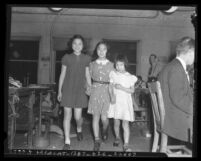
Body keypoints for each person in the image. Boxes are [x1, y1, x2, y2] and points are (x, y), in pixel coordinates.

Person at [158, 37, 194, 151]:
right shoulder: (177, 68)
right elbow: (178, 98)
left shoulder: (172, 66)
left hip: (169, 114)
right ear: (190, 52)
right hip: (174, 119)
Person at [57, 35, 91, 150]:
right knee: (67, 115)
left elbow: (87, 75)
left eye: (80, 44)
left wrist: (90, 87)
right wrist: (59, 91)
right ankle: (67, 141)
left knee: (77, 117)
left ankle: (79, 129)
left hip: (80, 90)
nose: (77, 46)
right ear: (71, 45)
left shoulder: (86, 58)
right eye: (75, 43)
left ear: (83, 45)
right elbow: (62, 75)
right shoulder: (66, 57)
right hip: (67, 89)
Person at [107, 54, 137, 152]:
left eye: (121, 65)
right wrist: (111, 96)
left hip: (125, 102)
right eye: (117, 65)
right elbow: (110, 86)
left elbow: (132, 91)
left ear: (125, 65)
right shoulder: (113, 74)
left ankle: (126, 144)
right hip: (116, 101)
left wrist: (122, 88)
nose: (118, 67)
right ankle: (117, 137)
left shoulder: (130, 77)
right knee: (116, 122)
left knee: (125, 123)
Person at [87, 41, 114, 151]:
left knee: (104, 118)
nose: (101, 51)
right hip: (95, 91)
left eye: (104, 49)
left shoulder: (112, 65)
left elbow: (113, 81)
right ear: (96, 51)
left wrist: (113, 94)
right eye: (99, 49)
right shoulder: (92, 64)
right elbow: (88, 78)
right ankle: (97, 140)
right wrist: (88, 89)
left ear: (107, 51)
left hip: (107, 91)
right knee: (95, 116)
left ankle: (105, 129)